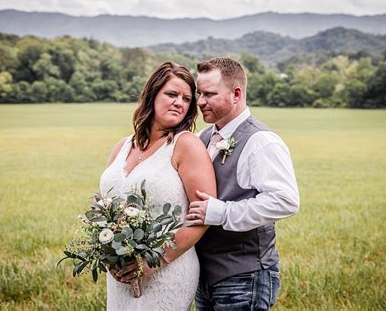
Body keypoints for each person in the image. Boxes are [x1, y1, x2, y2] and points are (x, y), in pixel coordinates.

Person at [99, 61, 217, 310]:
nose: (179, 103)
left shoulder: (187, 145)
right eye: (172, 94)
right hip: (121, 272)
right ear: (152, 95)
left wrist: (151, 263)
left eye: (186, 98)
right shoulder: (123, 146)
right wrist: (108, 253)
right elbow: (103, 208)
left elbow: (203, 216)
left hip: (167, 271)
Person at [185, 57, 300, 310]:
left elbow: (285, 201)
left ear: (236, 94)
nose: (200, 101)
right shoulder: (202, 138)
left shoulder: (261, 142)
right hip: (204, 276)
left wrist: (221, 212)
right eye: (199, 93)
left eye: (209, 94)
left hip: (244, 277)